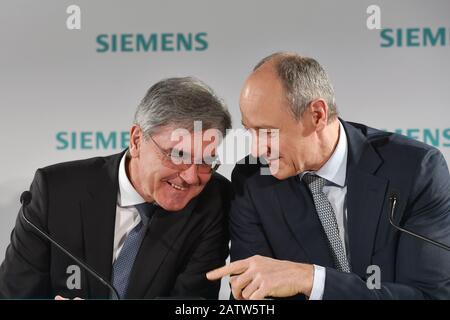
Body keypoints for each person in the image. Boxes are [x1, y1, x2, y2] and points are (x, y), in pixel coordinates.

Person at [207, 52, 450, 299]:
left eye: (267, 132)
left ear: (317, 115)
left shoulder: (415, 170)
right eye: (249, 130)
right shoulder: (253, 180)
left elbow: (429, 296)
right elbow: (252, 300)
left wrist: (312, 279)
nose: (257, 149)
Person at [0, 77, 232, 299]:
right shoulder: (57, 191)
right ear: (137, 140)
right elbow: (14, 293)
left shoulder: (214, 200)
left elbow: (191, 304)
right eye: (178, 155)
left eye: (206, 161)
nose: (192, 177)